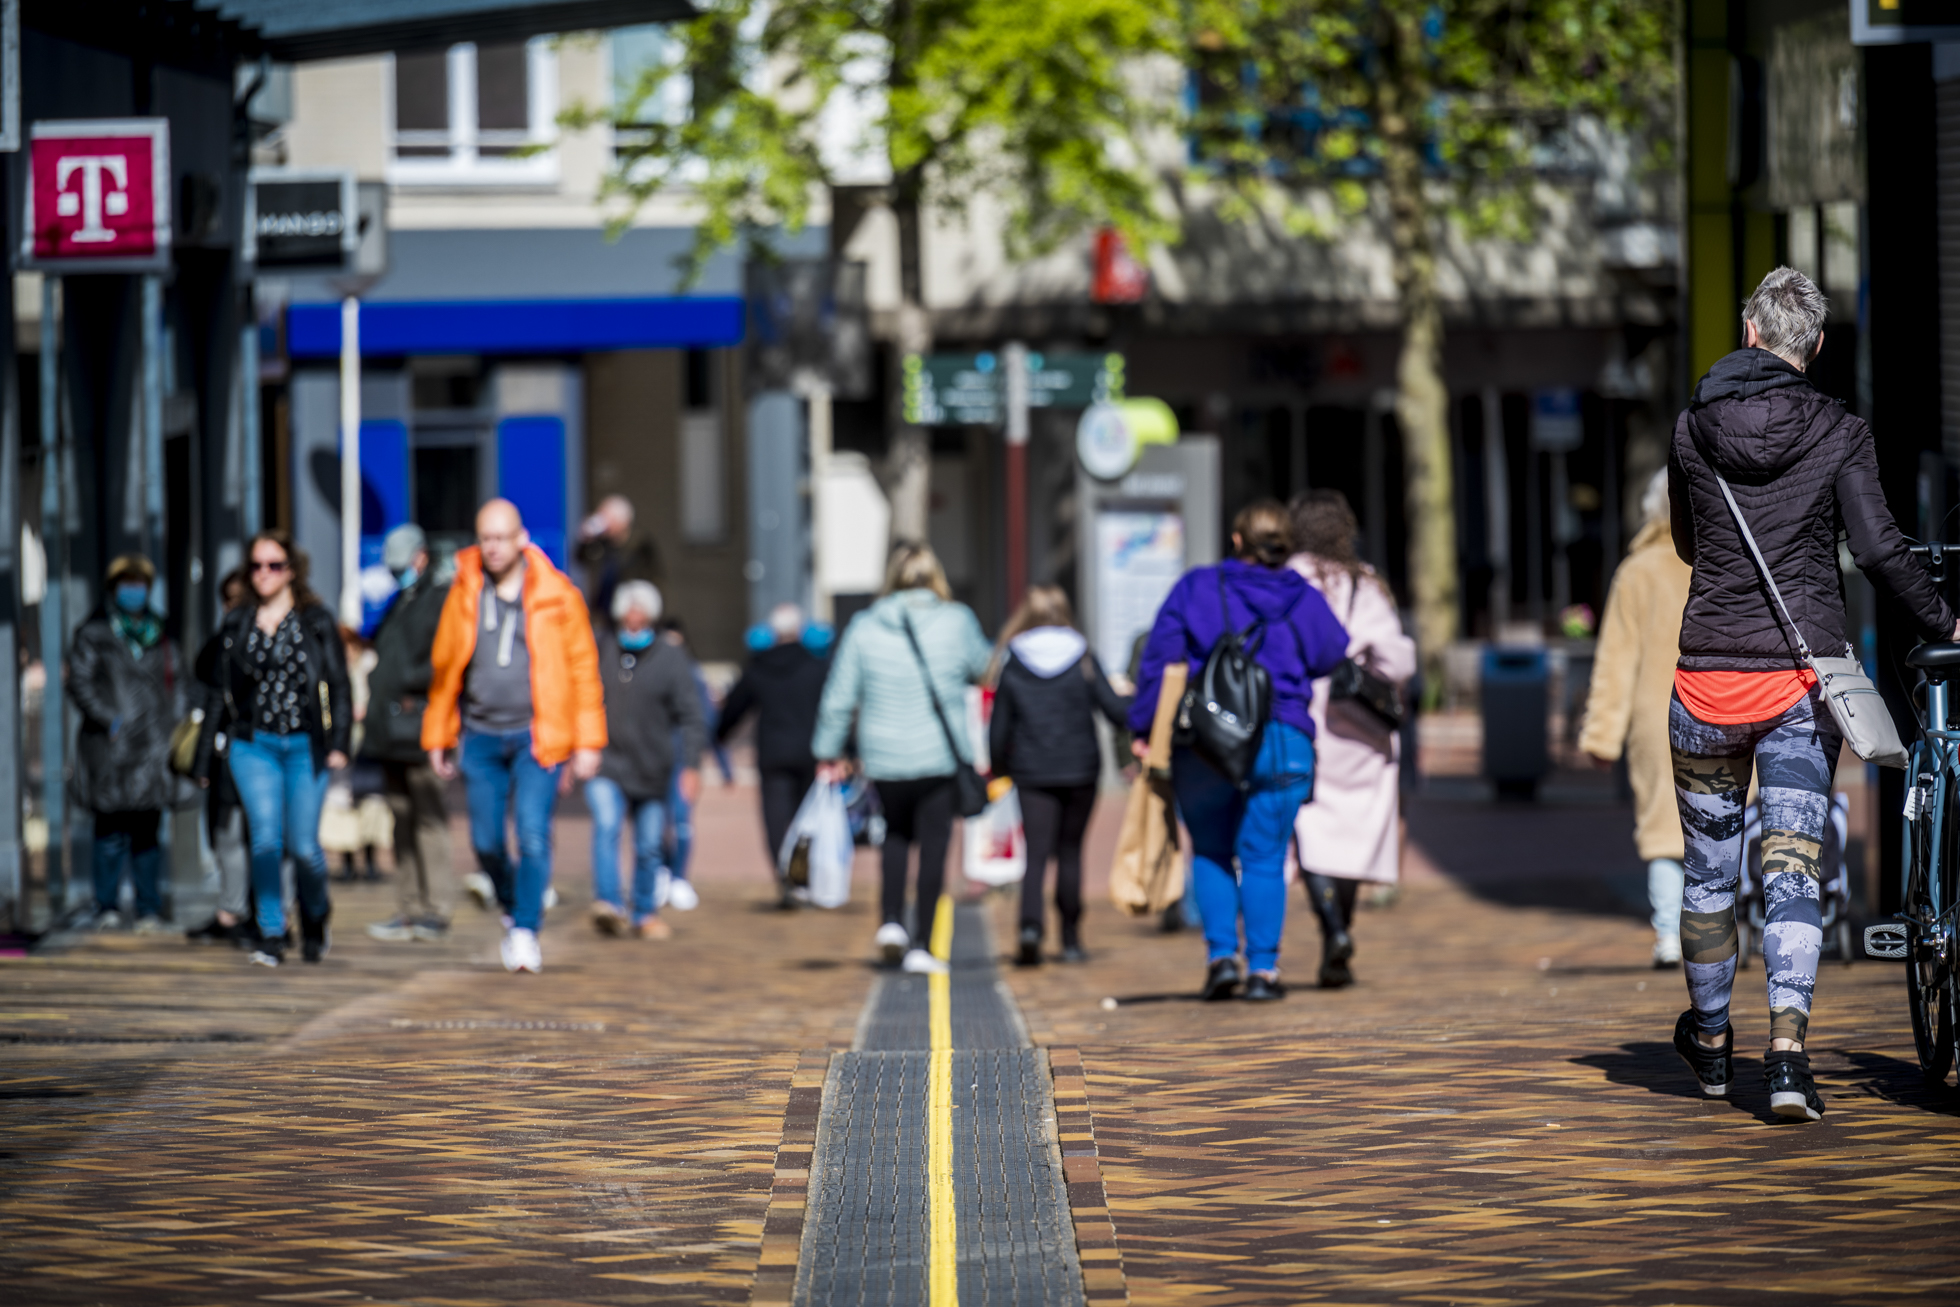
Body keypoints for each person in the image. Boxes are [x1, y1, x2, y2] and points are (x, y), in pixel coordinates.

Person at [1666, 265, 1959, 1121]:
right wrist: (1944, 618)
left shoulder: (1692, 429)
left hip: (1707, 680)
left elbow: (1689, 543)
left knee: (1709, 875)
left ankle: (1713, 1044)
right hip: (1800, 683)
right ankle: (1789, 1057)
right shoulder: (1840, 429)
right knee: (1793, 867)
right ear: (1815, 346)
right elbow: (1875, 548)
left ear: (1750, 333)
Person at [1130, 501, 1349, 1002]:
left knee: (1209, 850)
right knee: (1266, 858)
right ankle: (1264, 971)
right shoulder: (1303, 597)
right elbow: (1331, 653)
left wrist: (1143, 727)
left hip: (1207, 743)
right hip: (1283, 739)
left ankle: (1221, 960)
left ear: (1236, 541)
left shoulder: (1197, 588)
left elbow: (1160, 660)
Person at [424, 499, 605, 974]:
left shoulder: (558, 595)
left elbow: (584, 670)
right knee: (484, 841)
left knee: (532, 834)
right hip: (480, 735)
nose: (494, 547)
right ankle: (511, 901)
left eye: (503, 537)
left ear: (522, 539)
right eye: (486, 538)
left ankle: (525, 929)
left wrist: (587, 743)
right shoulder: (464, 592)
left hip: (536, 736)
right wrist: (438, 735)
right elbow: (444, 672)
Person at [814, 543, 992, 973]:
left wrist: (827, 750)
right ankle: (923, 945)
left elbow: (840, 696)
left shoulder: (864, 625)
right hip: (939, 754)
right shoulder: (958, 620)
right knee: (934, 846)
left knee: (893, 834)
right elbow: (985, 666)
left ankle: (891, 920)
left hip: (883, 754)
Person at [192, 531, 352, 967]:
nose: (264, 574)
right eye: (257, 566)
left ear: (291, 571)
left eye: (274, 565)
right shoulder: (237, 623)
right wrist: (205, 756)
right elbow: (211, 683)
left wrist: (339, 742)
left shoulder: (316, 621)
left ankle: (316, 914)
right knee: (264, 840)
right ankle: (272, 930)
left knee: (304, 847)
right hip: (253, 745)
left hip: (306, 746)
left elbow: (337, 683)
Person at [1286, 490, 1418, 989]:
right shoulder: (1366, 583)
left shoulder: (1286, 581)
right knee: (1353, 835)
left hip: (1305, 719)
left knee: (1310, 830)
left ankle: (1333, 929)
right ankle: (1341, 928)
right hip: (1360, 728)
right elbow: (1400, 660)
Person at [1579, 470, 1693, 968]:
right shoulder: (1725, 562)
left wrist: (1602, 735)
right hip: (1729, 705)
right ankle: (1731, 925)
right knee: (1733, 823)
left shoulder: (1638, 571)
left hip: (1657, 717)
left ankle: (1669, 935)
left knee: (1664, 832)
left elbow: (1615, 661)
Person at [988, 585, 1131, 966]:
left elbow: (999, 728)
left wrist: (998, 767)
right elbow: (1115, 712)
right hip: (1081, 768)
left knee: (1035, 854)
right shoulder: (1082, 655)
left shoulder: (1013, 661)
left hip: (1032, 770)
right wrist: (1144, 701)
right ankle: (1070, 939)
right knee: (1070, 852)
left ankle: (1030, 929)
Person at [70, 555, 184, 933]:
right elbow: (80, 683)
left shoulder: (162, 632)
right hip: (112, 745)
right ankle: (107, 906)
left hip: (153, 743)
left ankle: (149, 907)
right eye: (126, 583)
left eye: (140, 584)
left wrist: (175, 725)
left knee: (147, 833)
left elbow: (178, 680)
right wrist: (109, 718)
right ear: (113, 587)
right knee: (110, 832)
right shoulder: (94, 632)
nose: (134, 591)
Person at [587, 581, 706, 939]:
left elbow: (691, 715)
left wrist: (692, 765)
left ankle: (643, 912)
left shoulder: (670, 658)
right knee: (607, 826)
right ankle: (608, 902)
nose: (634, 619)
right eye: (629, 611)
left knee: (649, 843)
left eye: (641, 612)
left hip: (653, 767)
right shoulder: (603, 648)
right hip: (607, 762)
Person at [361, 524, 458, 943]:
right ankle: (409, 907)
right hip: (389, 729)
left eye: (402, 565)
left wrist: (409, 690)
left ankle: (437, 909)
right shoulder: (401, 600)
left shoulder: (440, 600)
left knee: (428, 819)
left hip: (422, 726)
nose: (397, 572)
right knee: (400, 819)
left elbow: (445, 660)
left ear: (420, 557)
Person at [717, 602, 830, 905]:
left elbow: (736, 706)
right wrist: (842, 749)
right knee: (805, 820)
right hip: (810, 751)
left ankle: (786, 878)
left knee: (775, 819)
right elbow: (833, 709)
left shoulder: (759, 666)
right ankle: (804, 880)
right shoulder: (816, 666)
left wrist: (719, 734)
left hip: (773, 754)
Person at [185, 567, 255, 947]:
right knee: (234, 836)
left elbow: (214, 701)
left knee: (241, 837)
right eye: (227, 599)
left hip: (248, 751)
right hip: (235, 752)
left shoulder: (237, 642)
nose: (232, 607)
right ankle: (240, 912)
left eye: (238, 599)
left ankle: (243, 914)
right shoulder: (226, 642)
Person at [575, 494, 662, 630]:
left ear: (622, 521)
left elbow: (654, 579)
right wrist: (585, 540)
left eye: (608, 517)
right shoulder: (600, 545)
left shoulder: (639, 544)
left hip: (630, 615)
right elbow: (581, 560)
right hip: (603, 614)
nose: (603, 522)